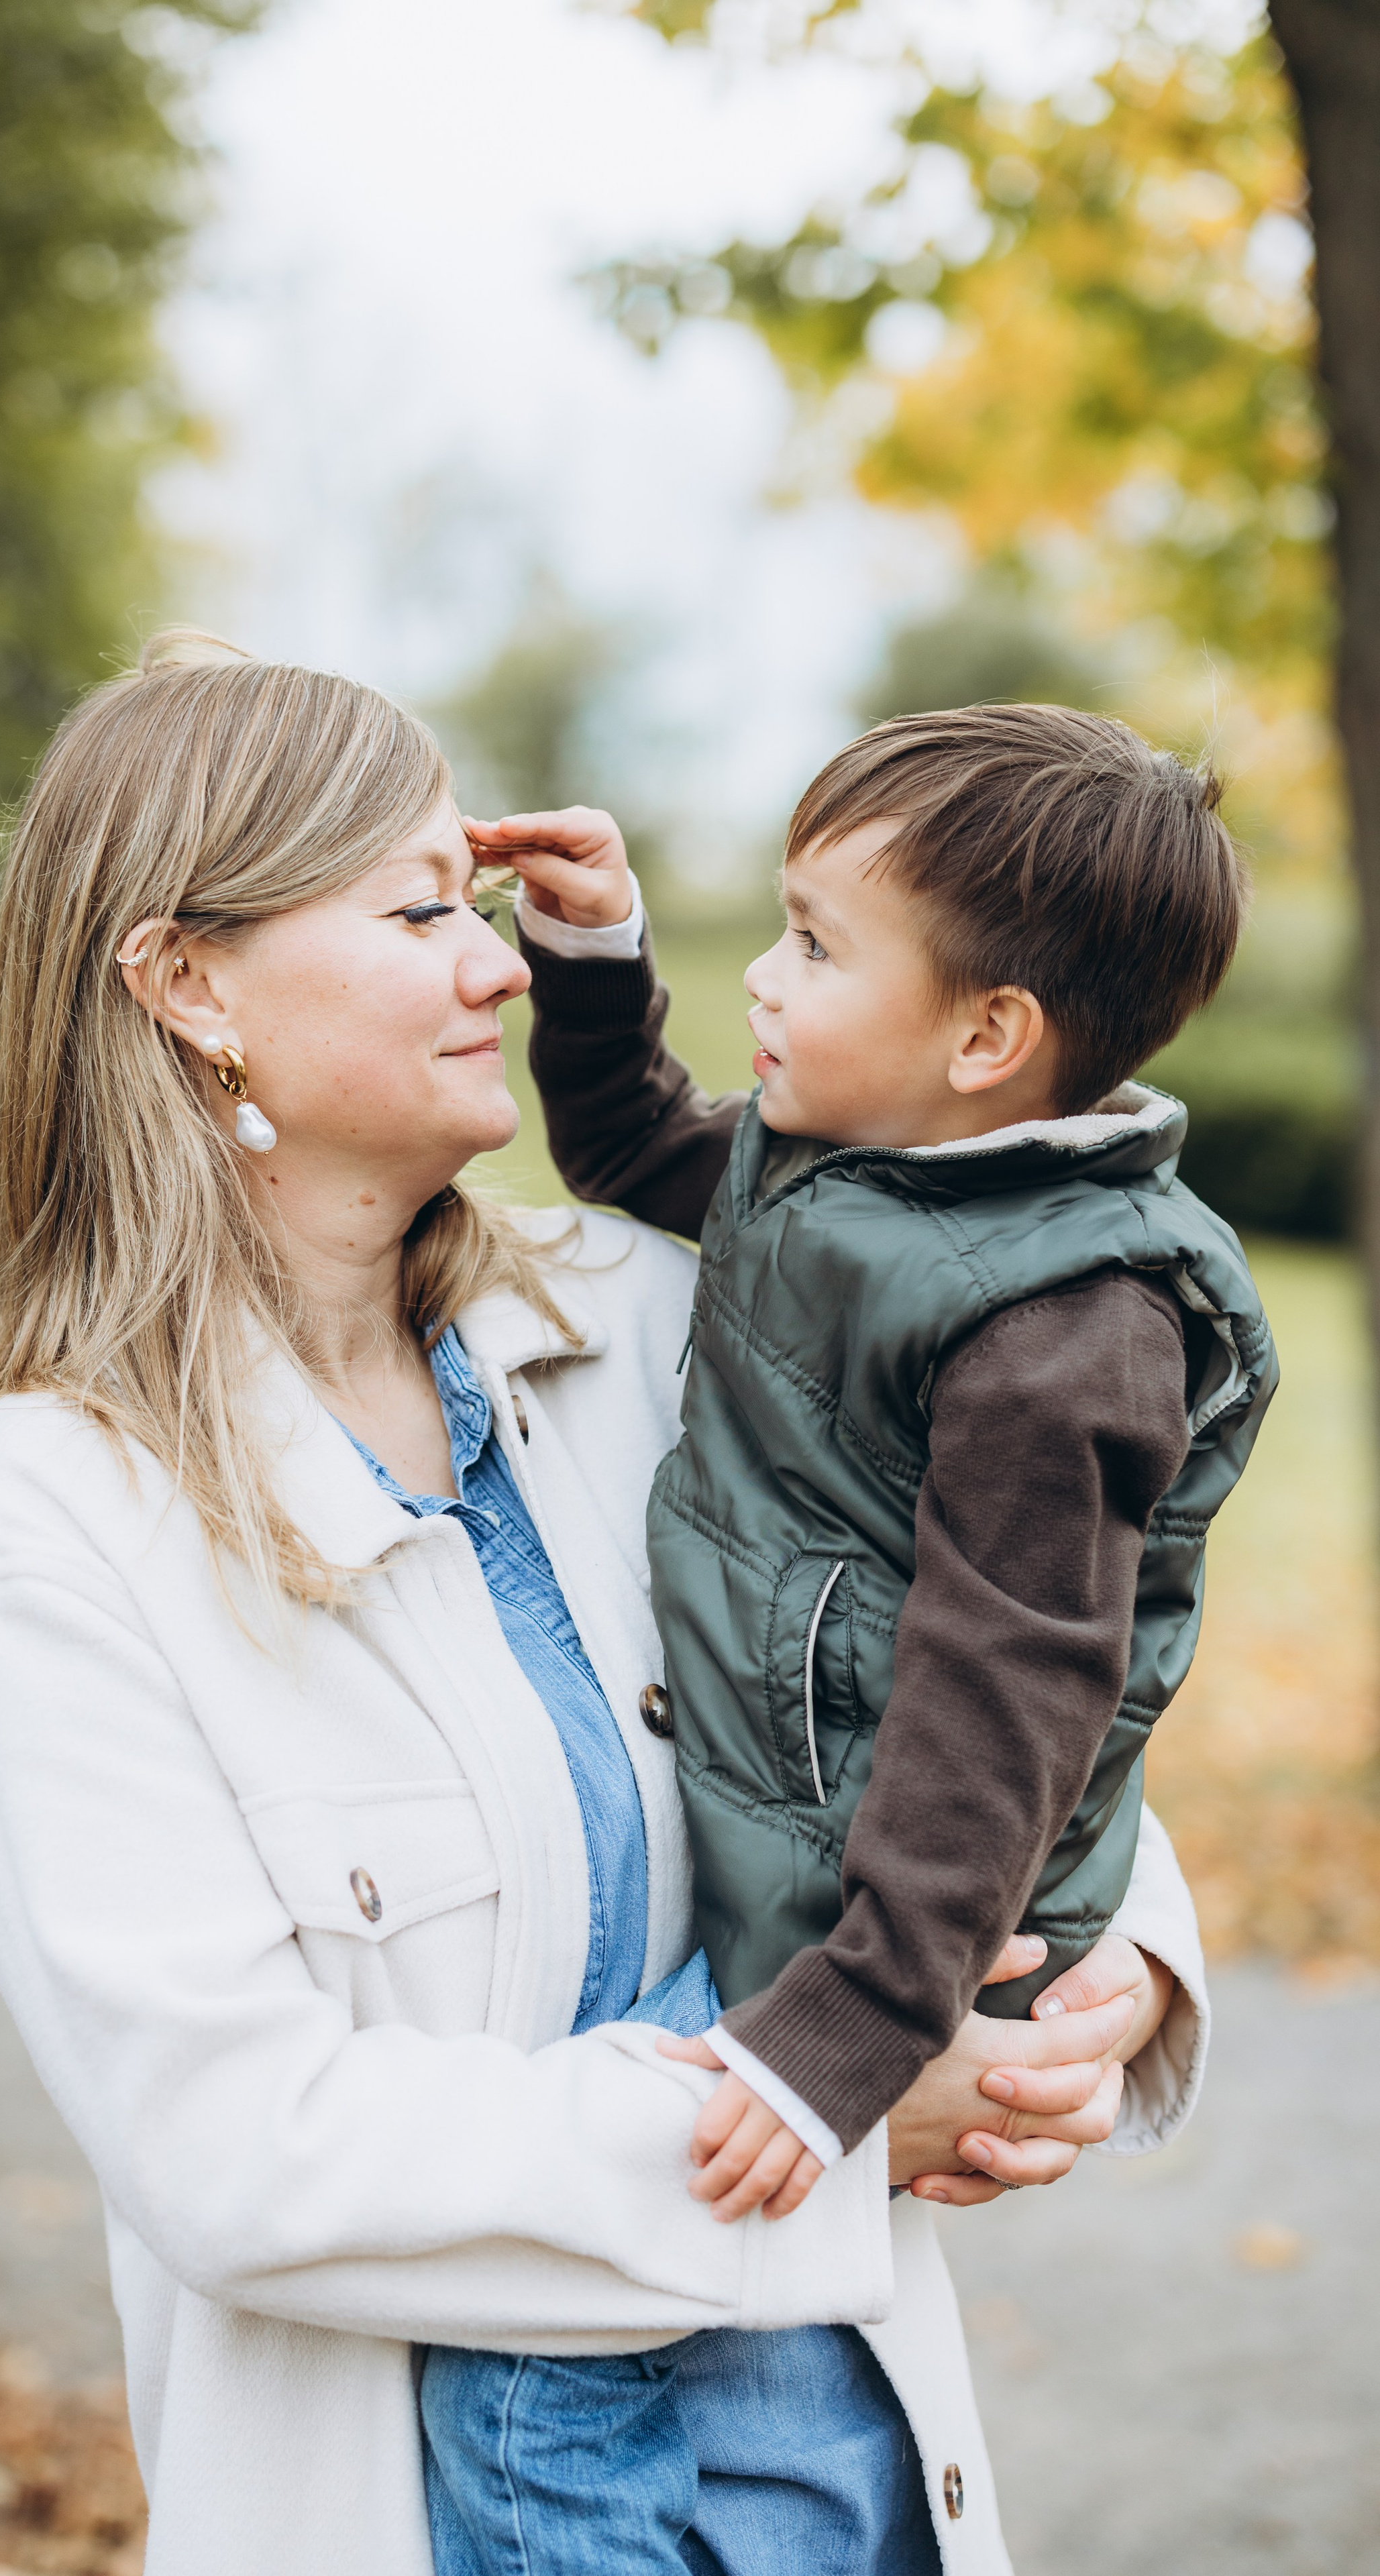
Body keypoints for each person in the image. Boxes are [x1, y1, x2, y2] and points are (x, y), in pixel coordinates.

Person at [0, 640, 1213, 2576]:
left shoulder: (656, 1317)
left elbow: (980, 1658)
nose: (503, 967)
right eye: (426, 910)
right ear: (189, 985)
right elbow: (241, 2154)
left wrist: (1113, 1980)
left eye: (493, 906)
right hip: (438, 2518)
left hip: (847, 2485)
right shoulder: (52, 1517)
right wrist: (832, 2113)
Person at [423, 708, 1273, 2572]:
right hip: (827, 1870)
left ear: (988, 1041)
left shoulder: (1065, 1329)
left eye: (816, 944)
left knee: (547, 2335)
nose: (766, 976)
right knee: (669, 2331)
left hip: (883, 1917)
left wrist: (845, 2035)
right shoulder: (852, 1178)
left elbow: (1012, 1702)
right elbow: (639, 1141)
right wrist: (590, 952)